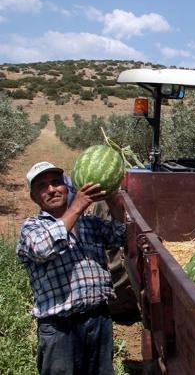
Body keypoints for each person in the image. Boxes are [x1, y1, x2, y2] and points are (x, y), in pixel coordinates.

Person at [16, 161, 126, 375]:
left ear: (66, 186)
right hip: (60, 328)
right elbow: (43, 249)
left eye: (56, 183)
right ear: (34, 197)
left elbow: (121, 235)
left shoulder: (89, 223)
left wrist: (113, 199)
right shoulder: (32, 228)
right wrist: (77, 206)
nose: (51, 189)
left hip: (98, 320)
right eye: (42, 186)